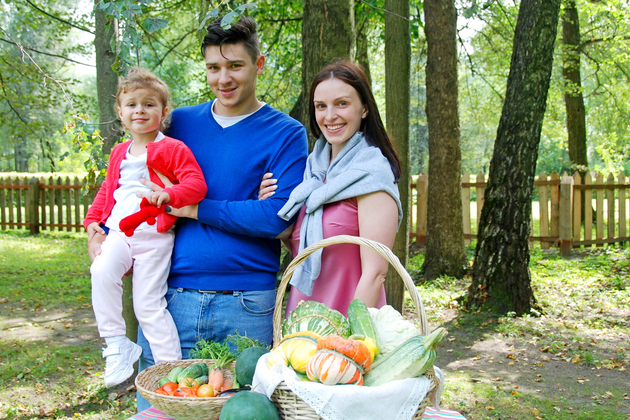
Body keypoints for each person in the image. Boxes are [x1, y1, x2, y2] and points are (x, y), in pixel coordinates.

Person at [88, 17, 308, 410]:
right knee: (158, 411)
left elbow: (275, 219)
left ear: (258, 65)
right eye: (213, 67)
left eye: (235, 66)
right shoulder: (179, 123)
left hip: (247, 304)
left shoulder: (285, 132)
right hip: (171, 300)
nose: (223, 78)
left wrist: (194, 208)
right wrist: (95, 228)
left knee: (242, 411)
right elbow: (124, 174)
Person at [84, 67, 207, 388]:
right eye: (132, 104)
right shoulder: (118, 153)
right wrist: (91, 225)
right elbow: (107, 192)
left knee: (148, 305)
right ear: (121, 113)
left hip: (154, 237)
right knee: (101, 271)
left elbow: (196, 185)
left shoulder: (172, 148)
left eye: (149, 104)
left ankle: (172, 374)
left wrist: (169, 194)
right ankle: (116, 345)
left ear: (164, 112)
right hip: (119, 233)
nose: (140, 110)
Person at [260, 60, 402, 316]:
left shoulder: (371, 173)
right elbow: (299, 244)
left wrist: (346, 339)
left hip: (349, 323)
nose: (329, 116)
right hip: (304, 319)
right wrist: (268, 204)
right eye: (321, 106)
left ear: (365, 109)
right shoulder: (312, 170)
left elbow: (375, 273)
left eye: (342, 104)